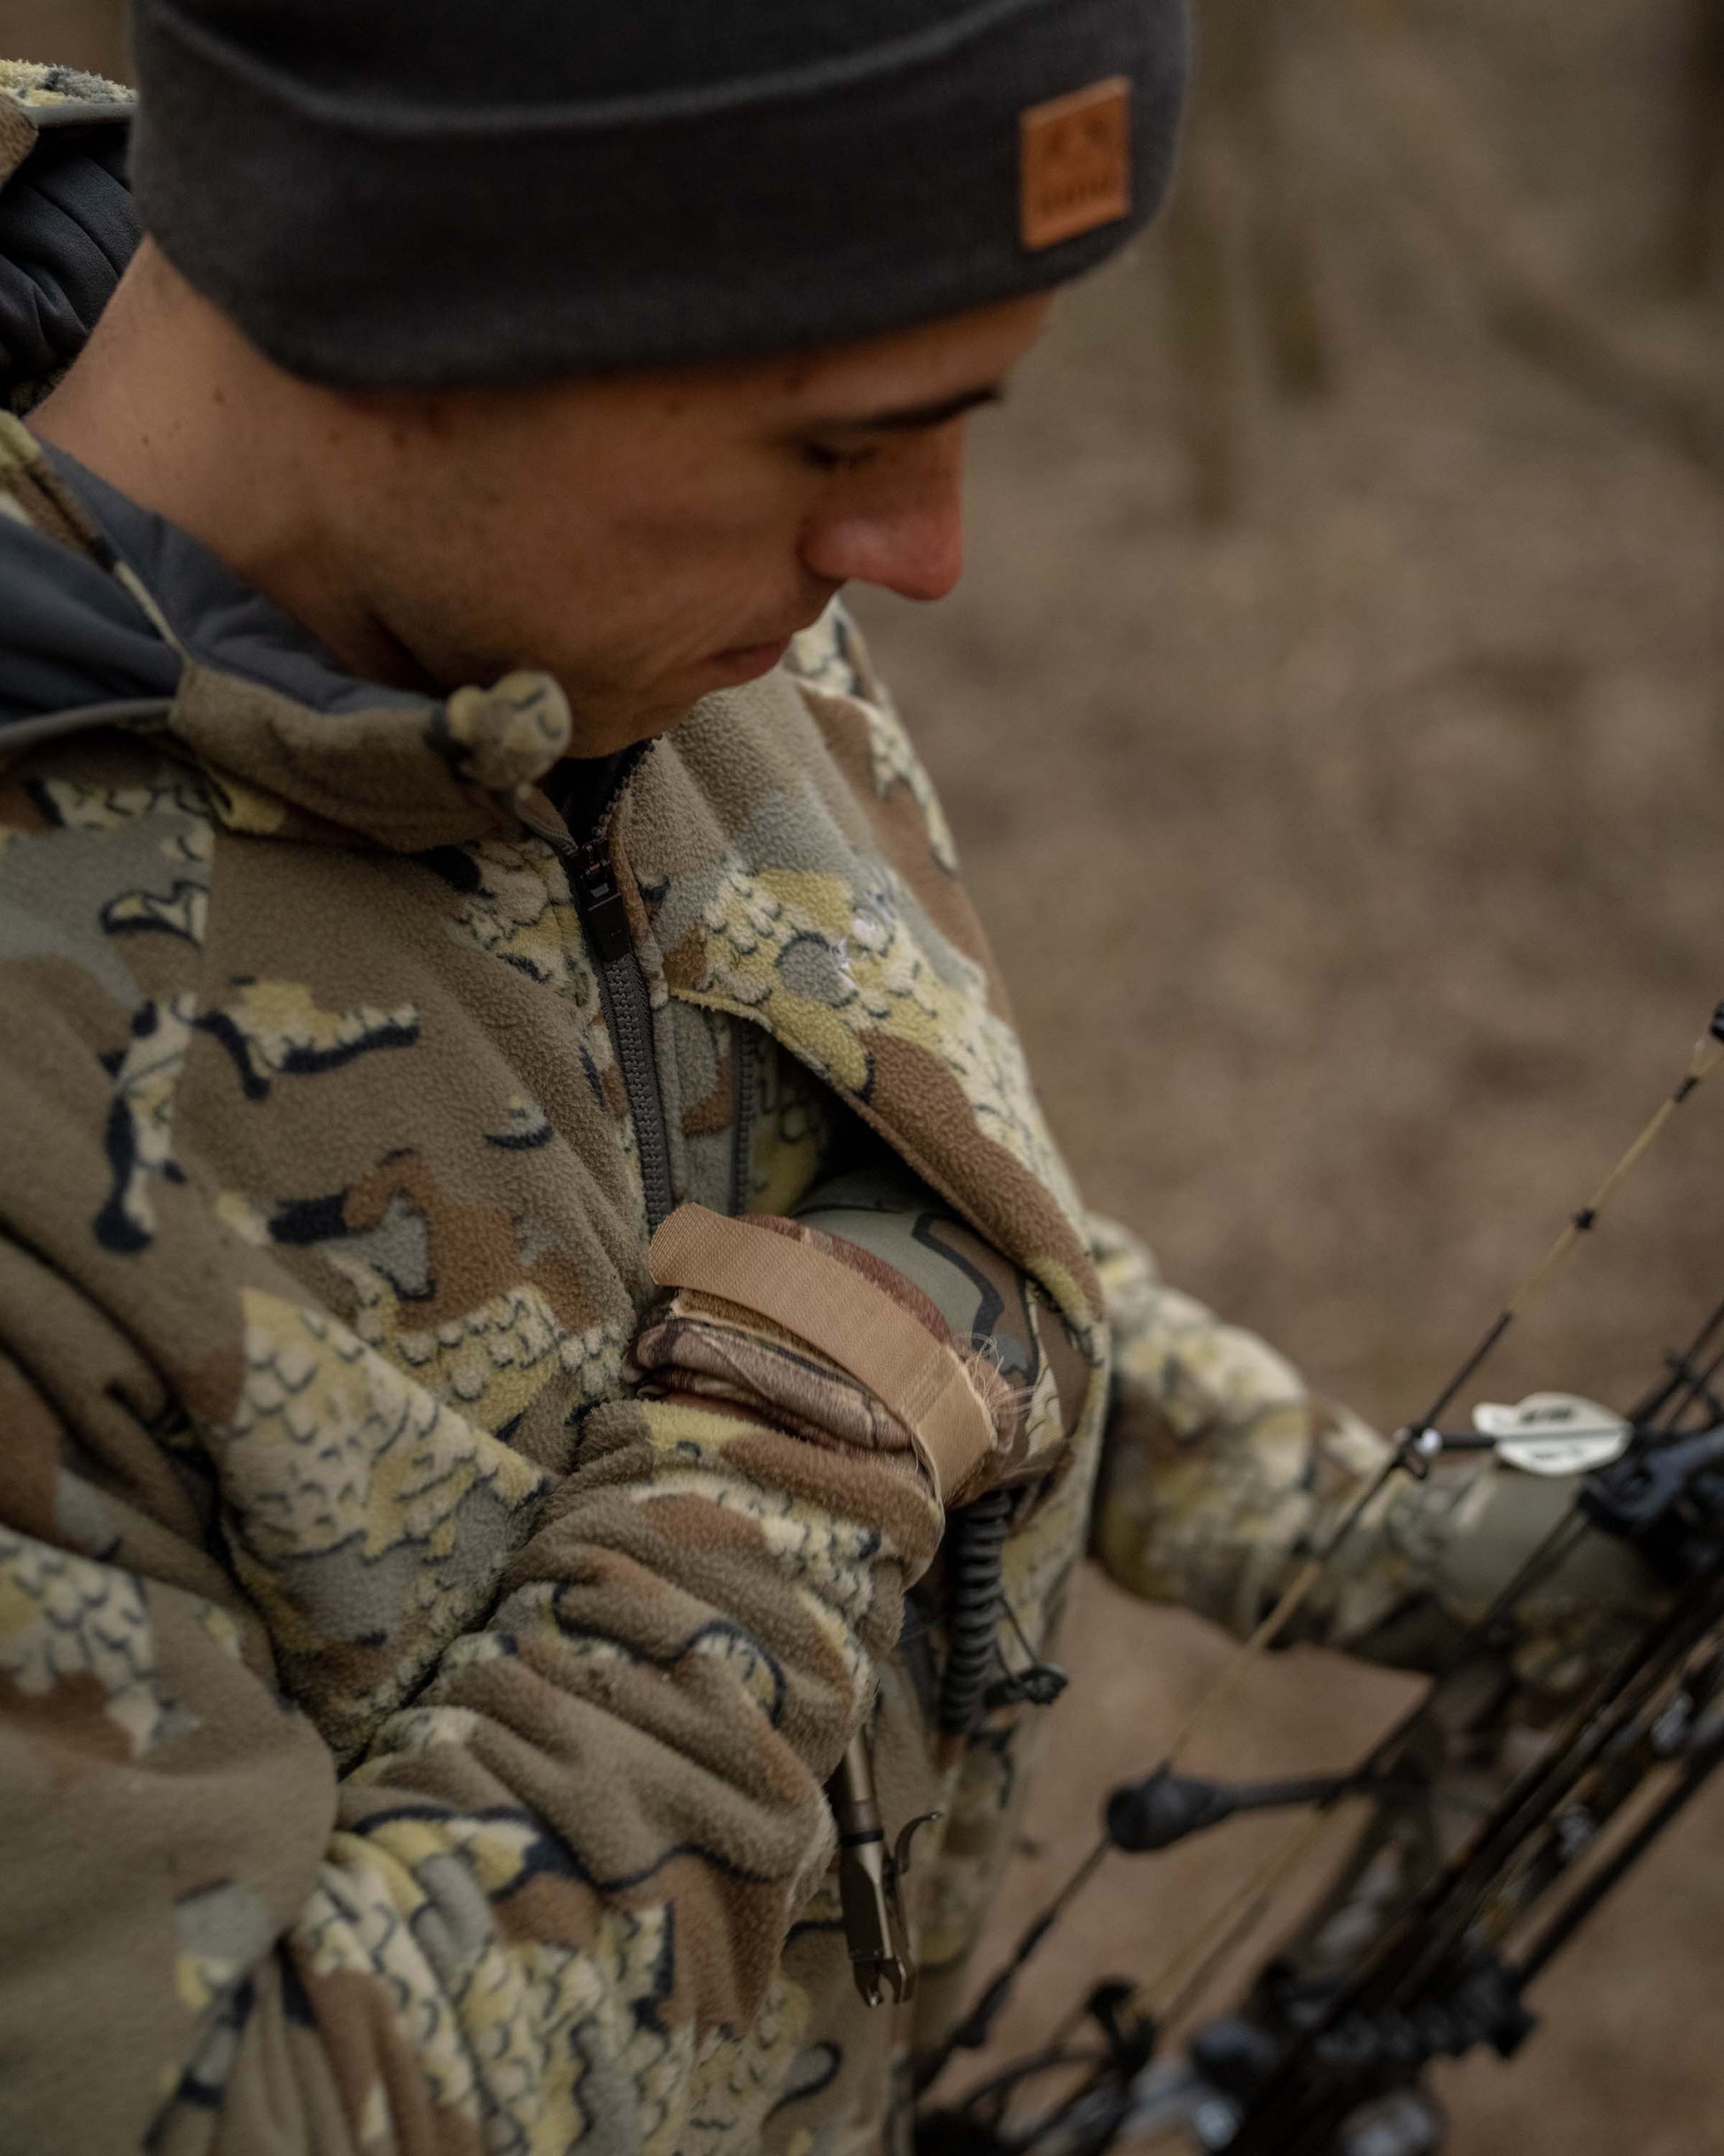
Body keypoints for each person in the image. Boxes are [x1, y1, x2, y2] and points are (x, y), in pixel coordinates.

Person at [0, 16, 1661, 2156]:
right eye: (845, 442)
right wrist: (789, 1472)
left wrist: (1360, 1529)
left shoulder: (618, 600)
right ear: (407, 298)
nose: (920, 551)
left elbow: (873, 1199)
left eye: (962, 416)